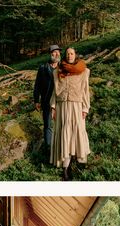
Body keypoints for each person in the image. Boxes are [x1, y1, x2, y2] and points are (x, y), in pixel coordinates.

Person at [50, 47, 91, 181]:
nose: (69, 55)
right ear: (65, 55)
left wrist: (85, 108)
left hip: (77, 106)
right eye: (67, 54)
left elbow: (85, 90)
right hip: (62, 107)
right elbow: (54, 91)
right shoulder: (58, 71)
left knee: (77, 132)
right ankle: (66, 168)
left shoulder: (83, 71)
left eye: (72, 53)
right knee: (65, 135)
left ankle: (79, 160)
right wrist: (53, 107)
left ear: (75, 55)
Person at [33, 45, 62, 151]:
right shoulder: (43, 68)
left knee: (61, 124)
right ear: (50, 54)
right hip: (46, 101)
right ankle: (48, 148)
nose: (57, 54)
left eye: (58, 52)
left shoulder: (63, 67)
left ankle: (60, 147)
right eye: (54, 52)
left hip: (60, 101)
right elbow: (37, 86)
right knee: (48, 125)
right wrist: (36, 100)